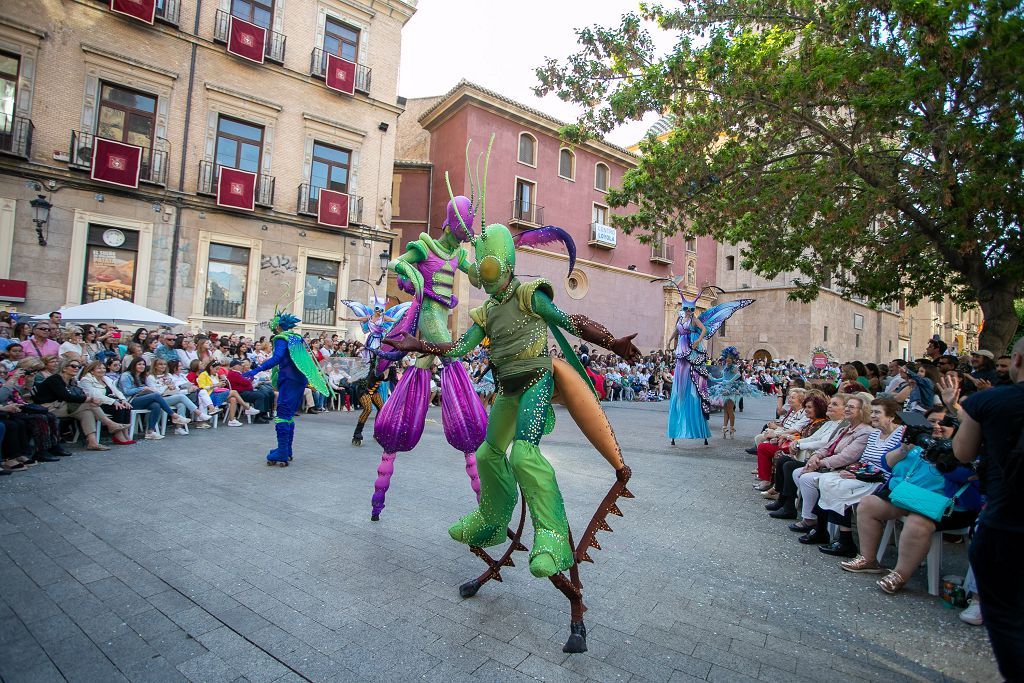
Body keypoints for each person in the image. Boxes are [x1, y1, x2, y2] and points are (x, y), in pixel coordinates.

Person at [389, 221, 639, 654]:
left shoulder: (529, 294)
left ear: (500, 261)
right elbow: (460, 349)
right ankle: (491, 519)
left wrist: (611, 341)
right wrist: (420, 346)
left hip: (536, 383)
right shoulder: (485, 313)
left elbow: (571, 321)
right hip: (506, 389)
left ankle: (551, 537)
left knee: (524, 456)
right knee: (488, 454)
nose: (478, 267)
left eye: (483, 256)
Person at [952, 337, 1024, 681]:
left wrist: (958, 410)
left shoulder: (990, 401)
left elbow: (962, 453)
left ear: (1018, 360)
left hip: (1005, 519)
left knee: (1007, 618)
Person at [659, 280, 753, 446]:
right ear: (682, 308)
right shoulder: (680, 318)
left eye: (691, 309)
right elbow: (676, 330)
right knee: (680, 385)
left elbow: (705, 330)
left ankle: (706, 425)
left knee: (694, 385)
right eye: (686, 308)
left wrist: (698, 341)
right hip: (681, 354)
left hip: (691, 351)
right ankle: (679, 425)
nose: (688, 311)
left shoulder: (694, 320)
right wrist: (669, 341)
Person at [814, 398, 906, 557]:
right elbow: (864, 461)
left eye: (878, 412)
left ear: (891, 416)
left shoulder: (901, 435)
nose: (873, 416)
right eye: (872, 412)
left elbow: (891, 466)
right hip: (865, 475)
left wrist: (859, 474)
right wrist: (855, 472)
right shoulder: (875, 434)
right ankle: (830, 532)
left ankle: (845, 540)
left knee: (840, 486)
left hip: (882, 480)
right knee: (827, 480)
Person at [244, 308, 331, 465]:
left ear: (277, 326)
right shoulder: (296, 338)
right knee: (289, 414)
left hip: (289, 379)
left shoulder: (281, 338)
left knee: (283, 414)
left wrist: (256, 369)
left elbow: (277, 358)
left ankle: (282, 452)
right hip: (299, 380)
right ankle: (286, 450)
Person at [789, 393, 874, 544]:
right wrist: (816, 457)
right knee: (799, 472)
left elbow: (847, 457)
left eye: (851, 407)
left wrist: (820, 463)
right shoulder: (847, 428)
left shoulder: (864, 432)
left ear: (863, 411)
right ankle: (813, 520)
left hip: (843, 469)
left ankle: (813, 522)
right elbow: (828, 447)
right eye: (846, 406)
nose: (847, 409)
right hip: (832, 467)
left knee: (812, 479)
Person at [34, 358, 131, 450]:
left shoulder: (71, 380)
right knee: (90, 404)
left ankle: (92, 443)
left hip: (62, 406)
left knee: (86, 413)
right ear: (64, 368)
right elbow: (66, 396)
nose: (76, 368)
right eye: (73, 366)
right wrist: (90, 399)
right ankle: (110, 424)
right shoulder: (55, 379)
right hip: (48, 407)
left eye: (78, 367)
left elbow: (71, 398)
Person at [119, 357, 190, 440]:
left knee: (156, 405)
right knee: (156, 395)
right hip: (129, 401)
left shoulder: (141, 376)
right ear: (133, 365)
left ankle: (150, 432)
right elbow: (127, 391)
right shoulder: (126, 375)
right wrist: (143, 388)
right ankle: (174, 416)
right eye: (139, 364)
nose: (142, 366)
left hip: (141, 398)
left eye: (143, 364)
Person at [78, 361, 136, 443]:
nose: (102, 370)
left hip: (109, 401)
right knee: (118, 408)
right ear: (92, 371)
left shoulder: (106, 379)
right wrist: (113, 402)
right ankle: (118, 435)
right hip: (96, 404)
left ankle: (125, 434)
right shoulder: (86, 380)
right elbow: (95, 395)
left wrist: (123, 400)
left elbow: (116, 390)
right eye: (99, 368)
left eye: (103, 368)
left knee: (126, 407)